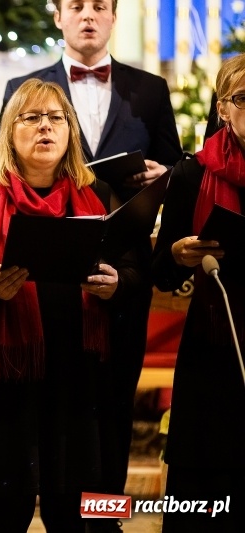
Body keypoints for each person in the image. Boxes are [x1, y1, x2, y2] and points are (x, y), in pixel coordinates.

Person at [0, 0, 184, 513]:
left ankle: (104, 517)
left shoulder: (150, 89)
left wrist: (161, 178)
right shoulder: (25, 89)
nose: (88, 15)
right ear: (58, 16)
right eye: (76, 6)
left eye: (99, 6)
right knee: (52, 401)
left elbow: (176, 169)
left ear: (113, 16)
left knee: (114, 398)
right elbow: (0, 166)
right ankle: (36, 507)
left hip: (121, 264)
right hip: (44, 271)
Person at [0, 79, 141, 533]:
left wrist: (116, 284)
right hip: (11, 376)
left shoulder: (102, 197)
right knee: (8, 515)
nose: (45, 128)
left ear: (70, 131)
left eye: (55, 118)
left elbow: (135, 273)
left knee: (72, 515)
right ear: (9, 132)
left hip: (80, 375)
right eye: (31, 118)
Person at [152, 53, 245, 533]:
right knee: (206, 496)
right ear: (223, 109)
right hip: (213, 349)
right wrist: (179, 254)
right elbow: (161, 274)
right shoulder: (190, 175)